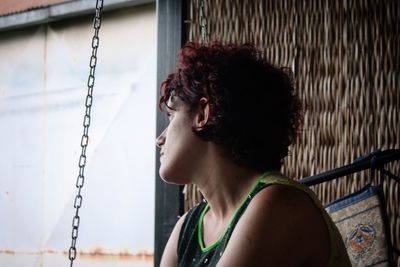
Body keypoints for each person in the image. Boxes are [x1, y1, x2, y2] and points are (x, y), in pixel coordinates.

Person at [156, 42, 351, 267]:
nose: (159, 139)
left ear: (202, 114)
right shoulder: (188, 228)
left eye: (171, 116)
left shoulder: (279, 205)